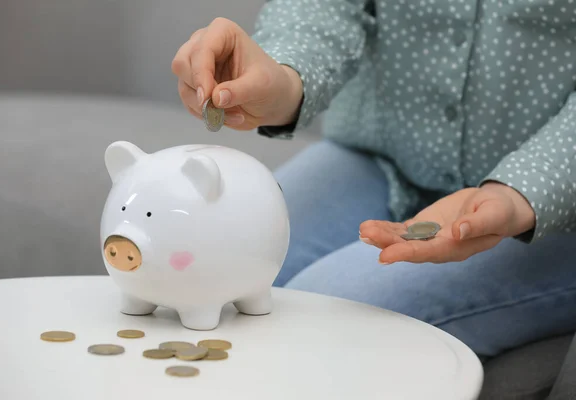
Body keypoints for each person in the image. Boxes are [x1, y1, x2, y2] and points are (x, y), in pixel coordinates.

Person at [171, 0, 576, 359]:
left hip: (552, 208)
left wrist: (523, 188)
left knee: (323, 318)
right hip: (379, 154)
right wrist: (282, 75)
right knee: (208, 259)